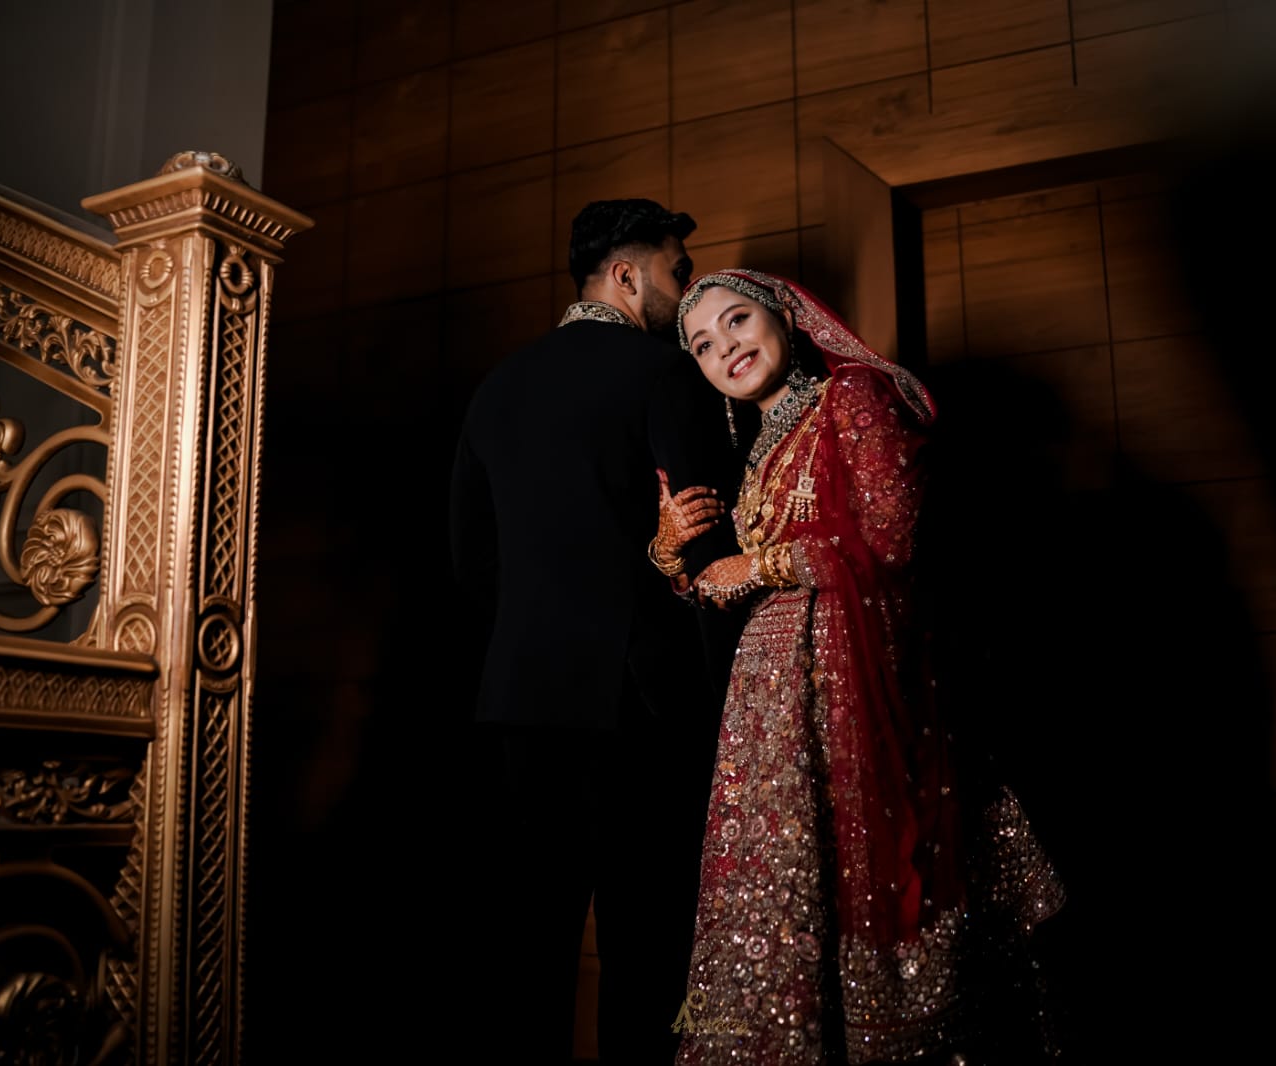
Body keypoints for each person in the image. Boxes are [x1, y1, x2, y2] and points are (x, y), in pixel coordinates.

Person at [652, 269, 1065, 1065]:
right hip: (773, 721)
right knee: (787, 907)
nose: (723, 348)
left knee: (869, 898)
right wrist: (672, 557)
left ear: (784, 315)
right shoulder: (759, 448)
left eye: (736, 321)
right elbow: (736, 583)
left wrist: (758, 564)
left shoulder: (854, 400)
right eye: (703, 344)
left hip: (858, 700)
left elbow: (892, 541)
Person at [449, 199, 742, 1065]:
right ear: (627, 274)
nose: (684, 292)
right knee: (646, 950)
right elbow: (707, 545)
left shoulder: (496, 387)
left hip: (521, 706)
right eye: (677, 271)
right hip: (637, 704)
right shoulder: (663, 374)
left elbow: (470, 563)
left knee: (529, 947)